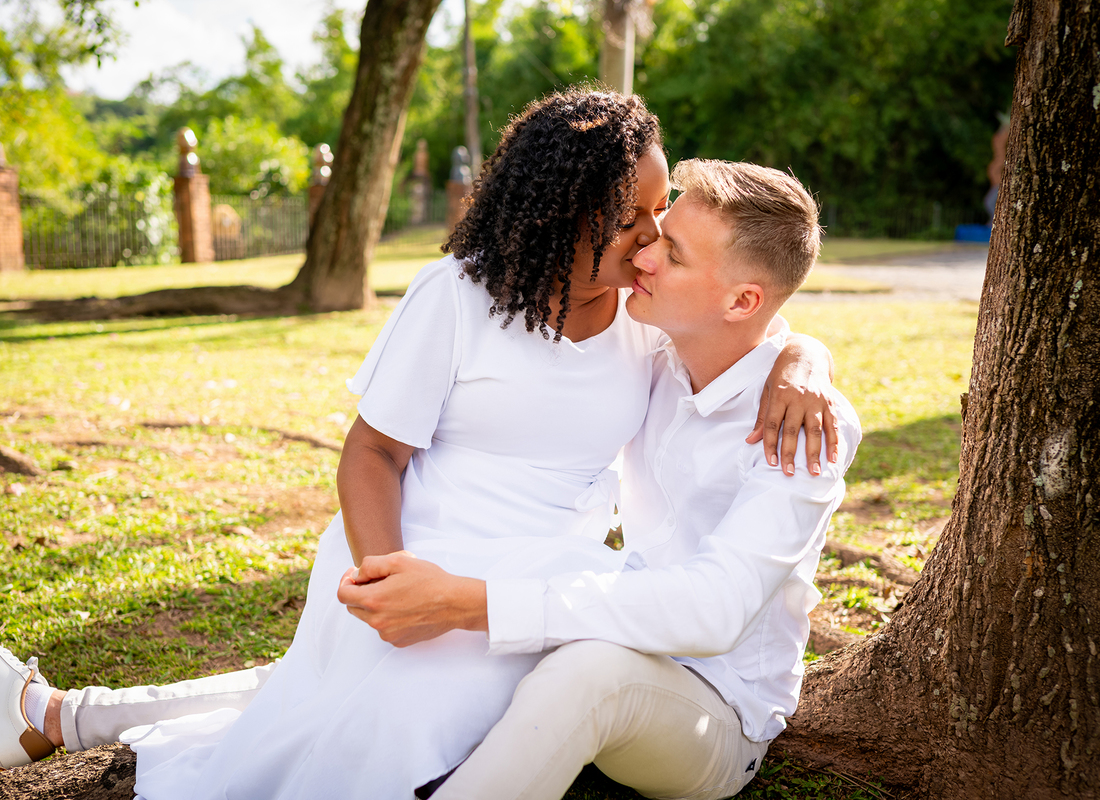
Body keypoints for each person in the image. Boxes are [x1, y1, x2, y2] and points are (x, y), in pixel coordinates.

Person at [0, 91, 838, 798]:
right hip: (445, 561)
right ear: (565, 210)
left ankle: (57, 716)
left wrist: (803, 361)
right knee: (338, 684)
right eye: (639, 219)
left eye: (662, 230)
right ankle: (53, 716)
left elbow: (750, 311)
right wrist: (392, 578)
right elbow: (372, 453)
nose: (649, 246)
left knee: (367, 700)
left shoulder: (666, 336)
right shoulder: (512, 307)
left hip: (562, 596)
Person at [337, 158, 861, 800]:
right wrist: (805, 350)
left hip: (717, 709)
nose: (643, 256)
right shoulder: (657, 358)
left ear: (740, 300)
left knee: (589, 671)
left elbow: (716, 610)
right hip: (618, 630)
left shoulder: (804, 430)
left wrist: (469, 602)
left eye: (673, 252)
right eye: (656, 230)